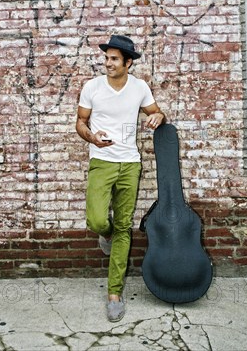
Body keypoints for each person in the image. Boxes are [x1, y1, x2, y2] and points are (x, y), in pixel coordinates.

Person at [76, 35, 166, 322]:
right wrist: (92, 136)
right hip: (101, 160)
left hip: (130, 163)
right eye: (106, 58)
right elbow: (80, 121)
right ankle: (106, 234)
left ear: (128, 62)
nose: (108, 63)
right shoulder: (92, 87)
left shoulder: (139, 88)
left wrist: (158, 118)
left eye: (114, 59)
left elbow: (156, 112)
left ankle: (114, 294)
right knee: (98, 220)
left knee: (124, 226)